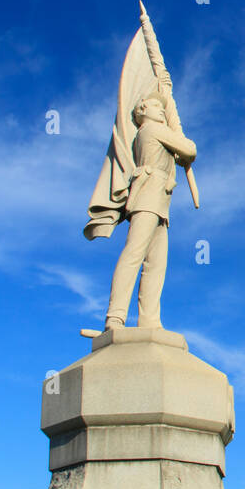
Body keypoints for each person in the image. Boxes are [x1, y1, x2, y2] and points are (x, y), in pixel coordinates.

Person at [104, 92, 196, 330]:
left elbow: (178, 155)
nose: (161, 110)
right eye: (157, 106)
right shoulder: (152, 129)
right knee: (134, 254)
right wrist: (182, 140)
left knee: (155, 263)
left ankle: (149, 320)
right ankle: (115, 317)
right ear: (143, 111)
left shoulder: (152, 133)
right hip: (148, 195)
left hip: (160, 201)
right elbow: (189, 149)